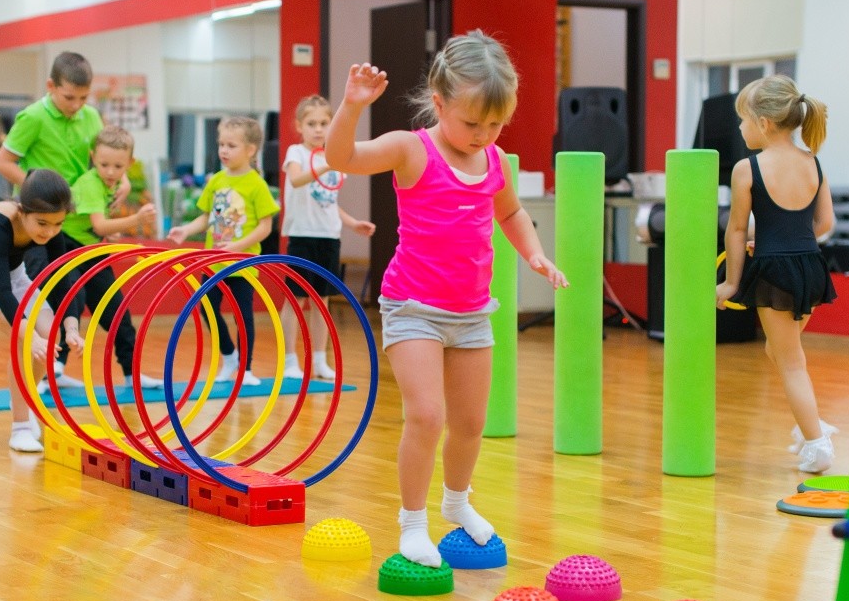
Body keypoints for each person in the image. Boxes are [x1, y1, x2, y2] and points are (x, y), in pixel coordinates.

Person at [325, 30, 568, 568]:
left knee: (471, 423)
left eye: (495, 124)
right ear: (439, 104)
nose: (483, 135)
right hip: (413, 306)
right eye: (472, 123)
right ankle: (413, 524)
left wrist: (534, 254)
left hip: (471, 312)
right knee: (427, 415)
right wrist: (352, 106)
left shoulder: (495, 160)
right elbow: (340, 156)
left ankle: (457, 502)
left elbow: (510, 212)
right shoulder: (411, 149)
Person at [716, 75, 837, 474]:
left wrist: (731, 282)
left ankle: (817, 444)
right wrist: (778, 238)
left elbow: (735, 230)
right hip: (811, 270)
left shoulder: (747, 169)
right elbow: (824, 224)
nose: (740, 127)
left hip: (776, 275)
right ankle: (813, 425)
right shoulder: (812, 162)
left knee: (791, 362)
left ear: (764, 123)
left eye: (743, 119)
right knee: (779, 351)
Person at [0, 51, 127, 389]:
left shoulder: (92, 117)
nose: (77, 105)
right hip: (45, 228)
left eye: (84, 98)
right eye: (69, 97)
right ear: (51, 86)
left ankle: (123, 371)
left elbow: (104, 160)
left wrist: (121, 181)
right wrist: (43, 196)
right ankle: (46, 370)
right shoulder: (33, 117)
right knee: (56, 296)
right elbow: (3, 162)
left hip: (81, 228)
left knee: (103, 300)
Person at [0, 169, 86, 452]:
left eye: (58, 224)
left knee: (50, 336)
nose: (49, 232)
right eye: (42, 224)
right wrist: (30, 335)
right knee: (25, 341)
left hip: (16, 276)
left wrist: (72, 329)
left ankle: (21, 398)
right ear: (22, 210)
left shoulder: (50, 225)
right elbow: (2, 291)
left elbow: (62, 279)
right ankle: (20, 427)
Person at [167, 116, 280, 386]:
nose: (223, 150)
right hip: (213, 263)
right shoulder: (217, 180)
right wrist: (185, 230)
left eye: (231, 145)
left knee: (243, 315)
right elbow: (206, 218)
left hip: (242, 264)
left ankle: (246, 368)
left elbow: (265, 227)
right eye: (221, 144)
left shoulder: (256, 184)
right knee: (206, 309)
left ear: (250, 150)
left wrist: (236, 248)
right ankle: (229, 355)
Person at [55, 125, 162, 392]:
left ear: (129, 164)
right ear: (93, 158)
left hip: (92, 249)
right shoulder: (91, 183)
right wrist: (136, 219)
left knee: (117, 312)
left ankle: (131, 374)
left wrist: (104, 232)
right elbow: (100, 224)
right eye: (104, 165)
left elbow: (98, 226)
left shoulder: (110, 183)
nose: (111, 172)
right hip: (68, 247)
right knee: (71, 302)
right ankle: (53, 371)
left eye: (118, 166)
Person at [279, 95, 375, 380]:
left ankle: (319, 360)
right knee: (296, 299)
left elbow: (328, 202)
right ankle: (289, 360)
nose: (318, 129)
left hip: (329, 237)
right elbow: (296, 179)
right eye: (311, 123)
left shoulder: (333, 158)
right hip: (302, 236)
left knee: (322, 301)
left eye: (324, 123)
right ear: (299, 126)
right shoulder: (296, 153)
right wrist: (325, 165)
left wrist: (352, 223)